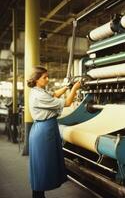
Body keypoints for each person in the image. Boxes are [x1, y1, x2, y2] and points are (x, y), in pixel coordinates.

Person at [27, 66, 81, 198]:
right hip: (44, 132)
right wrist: (75, 88)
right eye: (44, 77)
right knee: (43, 165)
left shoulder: (38, 91)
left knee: (40, 165)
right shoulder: (40, 96)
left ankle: (38, 194)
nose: (47, 79)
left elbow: (55, 94)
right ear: (36, 79)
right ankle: (38, 195)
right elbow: (68, 103)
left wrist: (68, 86)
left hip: (43, 129)